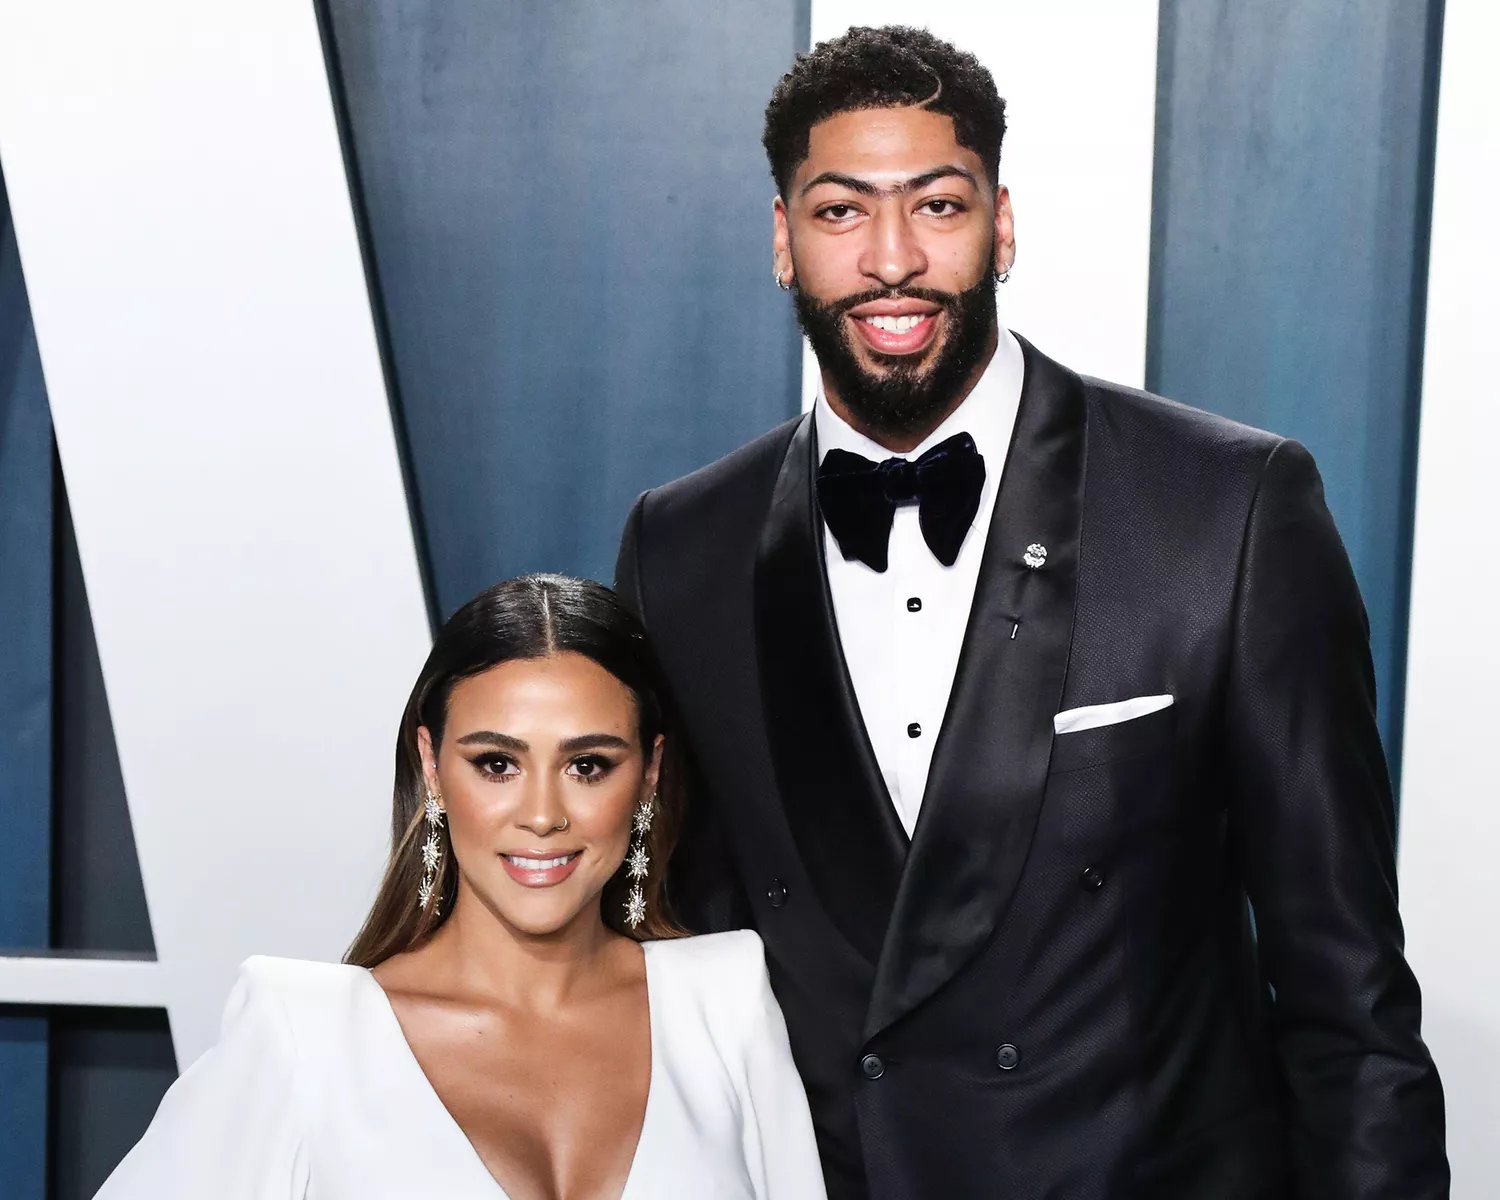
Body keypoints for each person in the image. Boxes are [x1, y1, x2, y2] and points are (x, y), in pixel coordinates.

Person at [615, 24, 1448, 1200]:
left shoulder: (1224, 508)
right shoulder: (680, 548)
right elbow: (673, 975)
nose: (891, 258)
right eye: (841, 212)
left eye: (939, 207)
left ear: (1002, 225)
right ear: (782, 243)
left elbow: (1348, 1000)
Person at [96, 575, 826, 1199]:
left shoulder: (724, 1003)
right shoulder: (303, 1033)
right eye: (498, 764)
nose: (542, 815)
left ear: (650, 776)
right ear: (434, 765)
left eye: (589, 766)